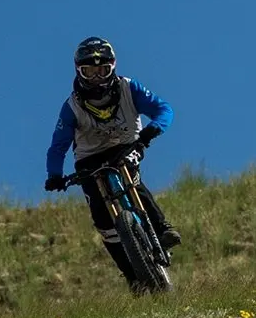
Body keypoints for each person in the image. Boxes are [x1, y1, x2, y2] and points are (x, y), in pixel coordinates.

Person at [44, 37, 181, 289]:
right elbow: (58, 146)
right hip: (89, 158)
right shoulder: (72, 107)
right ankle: (132, 277)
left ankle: (162, 228)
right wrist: (54, 175)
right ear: (79, 71)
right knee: (101, 217)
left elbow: (164, 109)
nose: (97, 78)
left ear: (113, 67)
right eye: (90, 72)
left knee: (133, 180)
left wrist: (152, 130)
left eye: (103, 70)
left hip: (126, 146)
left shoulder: (129, 87)